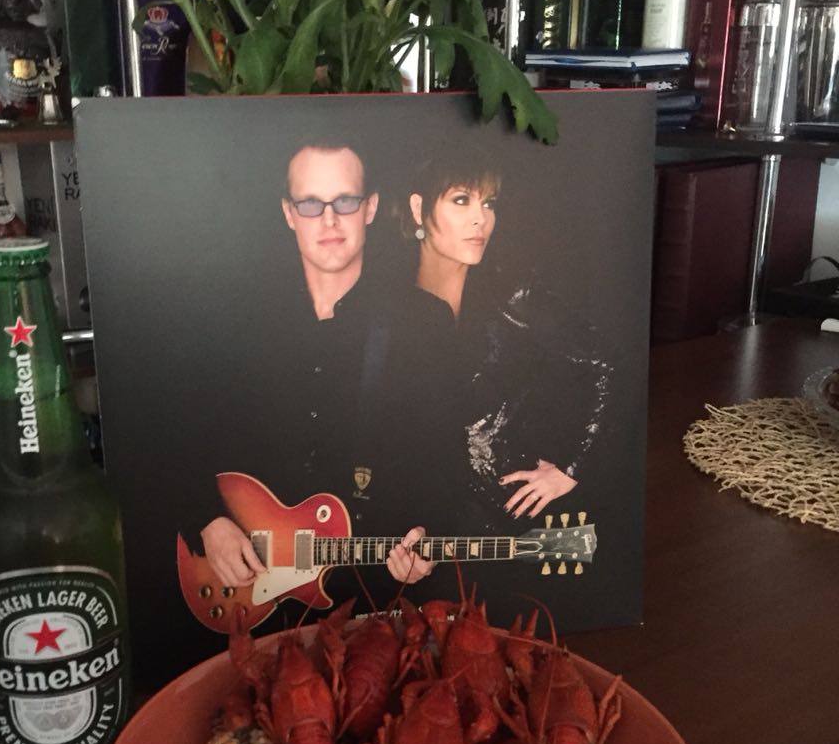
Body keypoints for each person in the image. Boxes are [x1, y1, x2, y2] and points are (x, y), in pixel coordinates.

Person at [184, 135, 472, 620]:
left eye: (345, 201)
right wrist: (208, 521)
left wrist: (426, 539)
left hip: (373, 596)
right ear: (288, 213)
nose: (329, 219)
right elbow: (182, 431)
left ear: (371, 207)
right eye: (311, 204)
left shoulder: (426, 321)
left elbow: (448, 460)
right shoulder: (235, 320)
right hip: (254, 600)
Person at [403, 148, 611, 527]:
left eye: (489, 203)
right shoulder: (389, 304)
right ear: (419, 208)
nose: (480, 219)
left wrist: (571, 466)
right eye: (462, 200)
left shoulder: (513, 294)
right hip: (432, 518)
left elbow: (606, 361)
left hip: (516, 517)